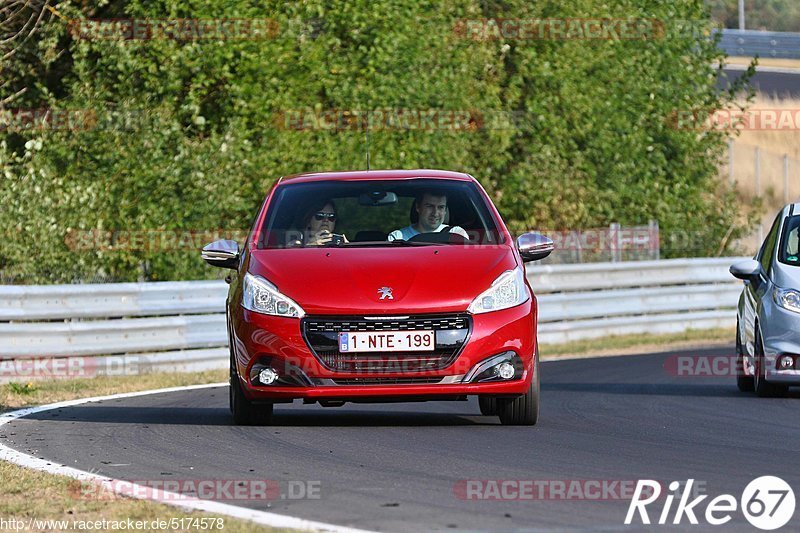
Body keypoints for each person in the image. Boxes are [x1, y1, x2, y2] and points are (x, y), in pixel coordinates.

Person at [388, 191, 469, 241]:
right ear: (418, 207)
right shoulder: (398, 238)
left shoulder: (456, 234)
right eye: (430, 206)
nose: (435, 213)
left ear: (445, 211)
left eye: (440, 207)